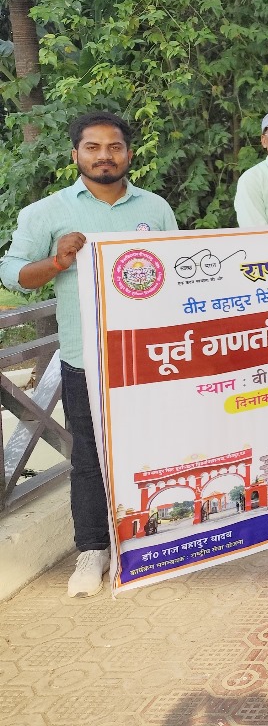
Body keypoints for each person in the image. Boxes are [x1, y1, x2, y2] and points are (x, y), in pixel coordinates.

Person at [0, 112, 178, 597]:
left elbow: (177, 273)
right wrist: (57, 261)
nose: (105, 156)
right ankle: (92, 550)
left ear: (129, 153)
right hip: (87, 357)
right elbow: (12, 275)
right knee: (88, 458)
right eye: (94, 147)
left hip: (151, 355)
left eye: (115, 147)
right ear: (75, 154)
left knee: (156, 444)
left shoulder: (156, 209)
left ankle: (155, 537)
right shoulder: (48, 213)